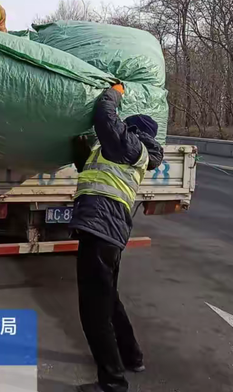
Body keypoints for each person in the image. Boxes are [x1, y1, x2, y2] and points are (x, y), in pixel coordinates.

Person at [71, 85, 164, 392]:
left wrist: (114, 93)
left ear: (134, 130)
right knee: (108, 298)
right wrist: (77, 146)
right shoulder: (122, 153)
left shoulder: (130, 146)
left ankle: (112, 383)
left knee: (94, 311)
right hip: (107, 231)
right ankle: (132, 356)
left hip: (100, 230)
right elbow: (89, 170)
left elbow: (104, 115)